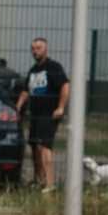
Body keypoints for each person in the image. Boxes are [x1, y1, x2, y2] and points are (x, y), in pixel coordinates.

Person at [15, 38, 70, 193]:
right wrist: (19, 105)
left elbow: (65, 85)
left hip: (49, 113)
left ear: (46, 49)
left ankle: (50, 183)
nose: (35, 51)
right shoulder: (33, 70)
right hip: (36, 114)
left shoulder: (53, 67)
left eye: (39, 47)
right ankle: (37, 179)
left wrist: (60, 107)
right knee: (34, 146)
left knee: (44, 145)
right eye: (33, 48)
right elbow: (26, 90)